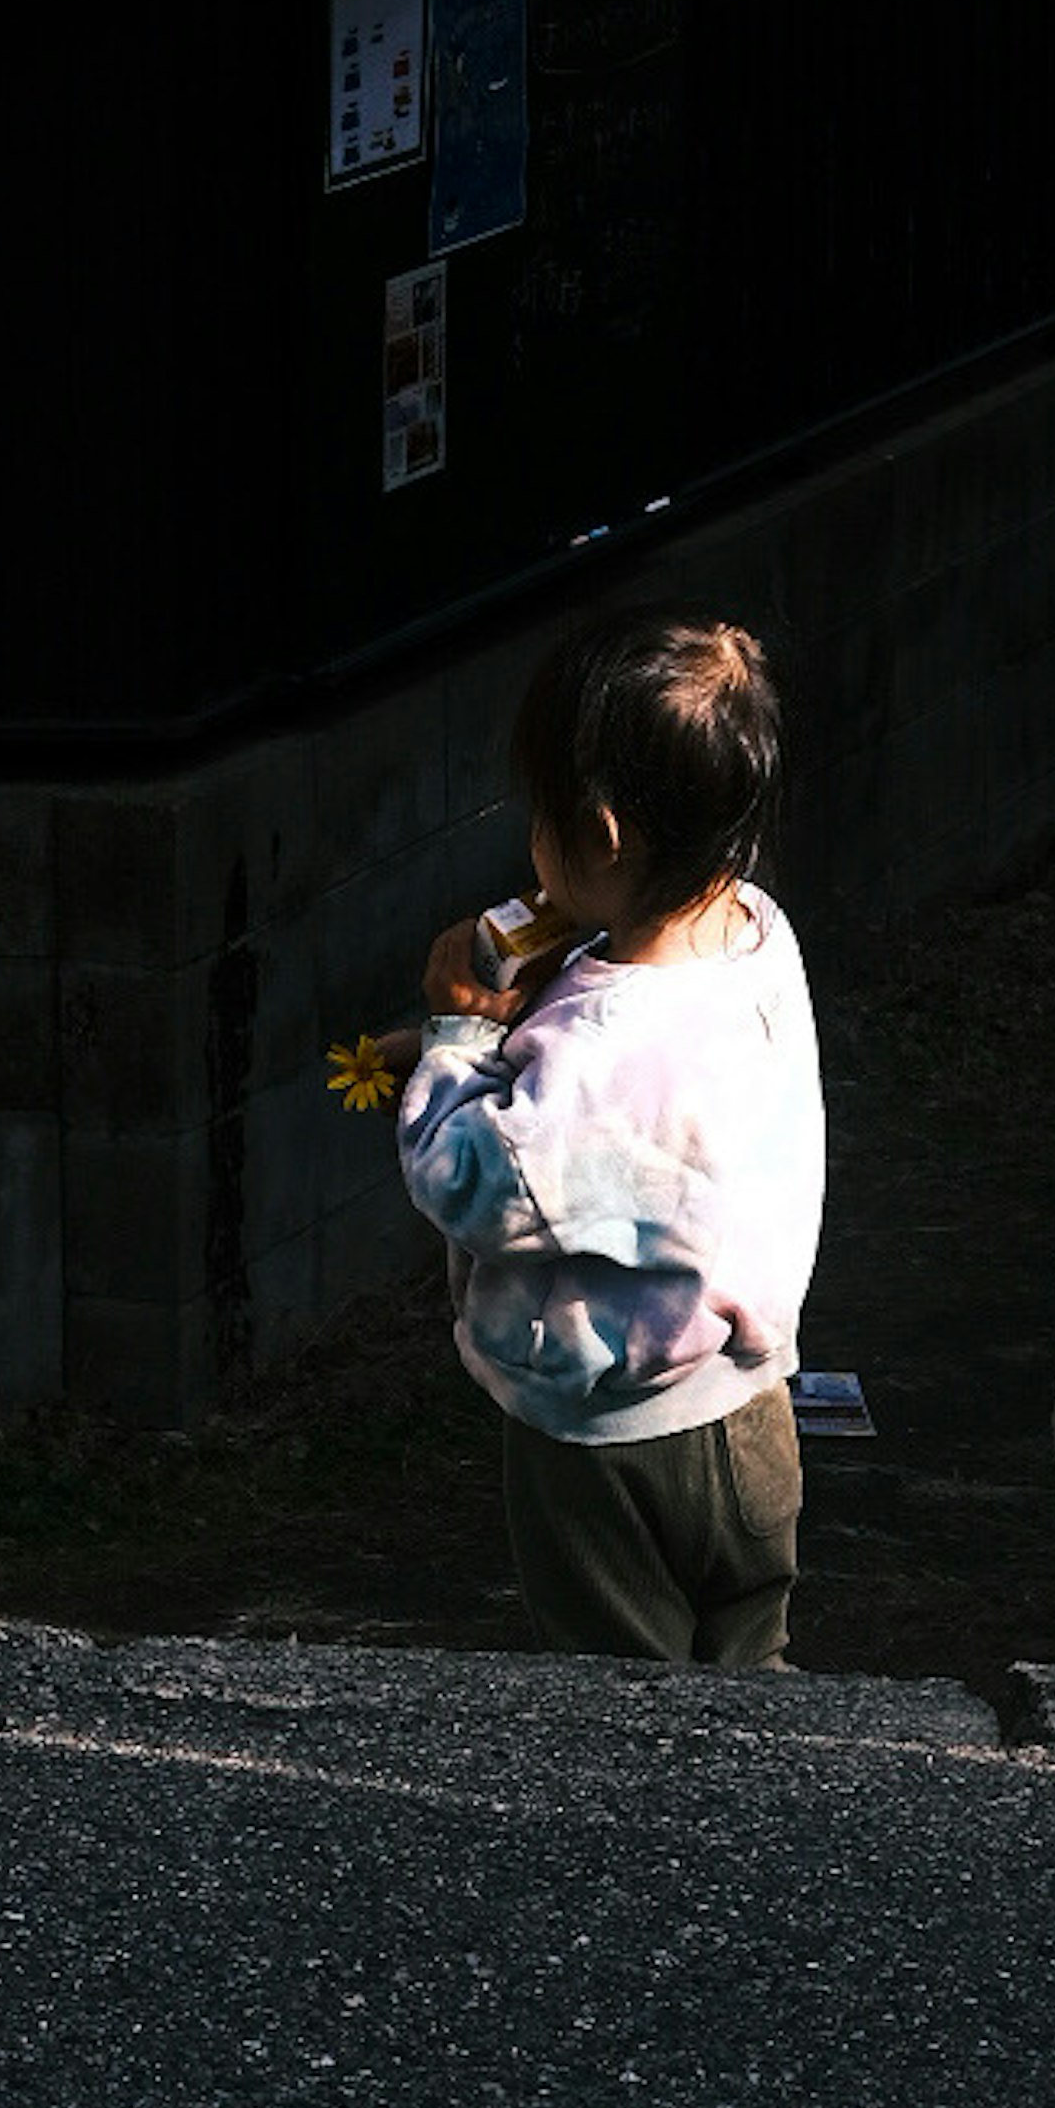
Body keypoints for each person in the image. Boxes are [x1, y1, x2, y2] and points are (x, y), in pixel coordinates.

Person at [399, 611, 825, 1666]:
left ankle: (654, 1836)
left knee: (626, 1706)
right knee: (751, 1671)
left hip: (609, 1442)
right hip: (748, 1417)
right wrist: (543, 1006)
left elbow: (471, 1182)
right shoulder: (758, 937)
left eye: (541, 816)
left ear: (600, 833)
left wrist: (455, 1041)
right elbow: (635, 1099)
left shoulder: (598, 1047)